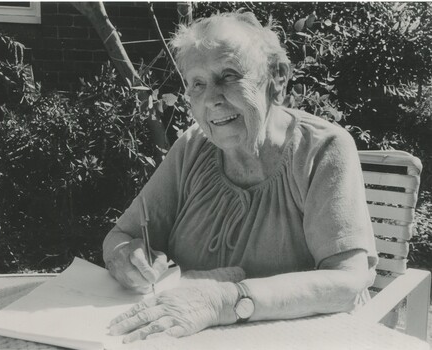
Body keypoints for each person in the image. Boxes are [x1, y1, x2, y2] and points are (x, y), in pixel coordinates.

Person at [104, 11, 378, 343]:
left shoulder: (322, 150)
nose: (211, 100)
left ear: (276, 78)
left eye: (229, 76)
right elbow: (123, 235)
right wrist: (123, 257)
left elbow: (346, 283)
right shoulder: (191, 148)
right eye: (197, 84)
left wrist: (224, 300)